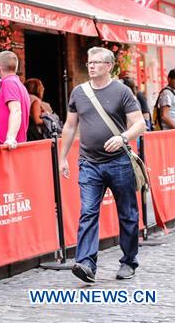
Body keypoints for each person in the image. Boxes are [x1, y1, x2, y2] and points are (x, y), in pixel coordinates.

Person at [59, 47, 145, 283]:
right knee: (87, 212)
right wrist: (62, 157)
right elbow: (69, 126)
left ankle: (129, 261)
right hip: (89, 163)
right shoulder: (78, 92)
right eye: (89, 62)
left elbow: (139, 124)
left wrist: (123, 137)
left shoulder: (122, 91)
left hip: (119, 162)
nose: (91, 66)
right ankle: (86, 263)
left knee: (127, 214)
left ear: (109, 66)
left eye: (97, 62)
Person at [0, 51, 30, 149]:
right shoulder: (17, 84)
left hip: (8, 148)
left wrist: (10, 138)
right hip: (10, 147)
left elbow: (16, 110)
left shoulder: (9, 83)